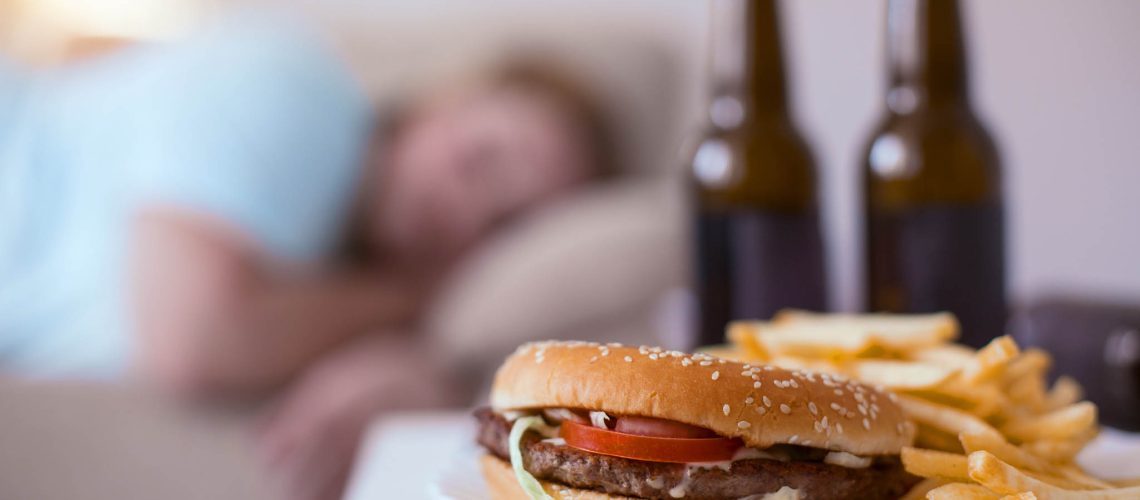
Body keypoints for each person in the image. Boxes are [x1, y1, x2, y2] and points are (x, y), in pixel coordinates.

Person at [0, 13, 613, 500]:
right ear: (443, 99)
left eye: (500, 226)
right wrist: (418, 295)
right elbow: (195, 336)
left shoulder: (323, 271)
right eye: (481, 158)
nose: (465, 211)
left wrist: (417, 360)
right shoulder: (296, 90)